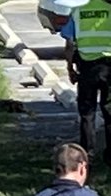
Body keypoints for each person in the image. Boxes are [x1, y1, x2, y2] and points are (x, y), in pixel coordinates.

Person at [62, 1, 111, 162]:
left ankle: (87, 155)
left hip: (87, 67)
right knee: (109, 111)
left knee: (87, 113)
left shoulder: (76, 10)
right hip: (109, 67)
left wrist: (70, 68)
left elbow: (69, 44)